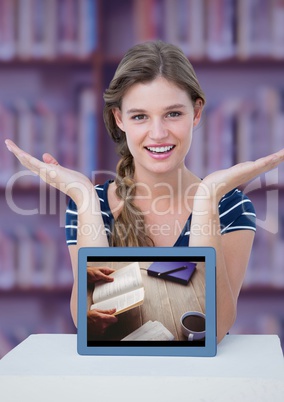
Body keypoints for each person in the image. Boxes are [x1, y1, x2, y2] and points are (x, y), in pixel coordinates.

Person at [5, 40, 284, 343]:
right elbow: (88, 326)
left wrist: (206, 199)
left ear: (197, 113)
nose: (158, 133)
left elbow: (212, 328)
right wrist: (84, 196)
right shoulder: (90, 205)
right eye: (140, 116)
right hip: (118, 381)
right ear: (119, 119)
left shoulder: (230, 206)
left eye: (173, 114)